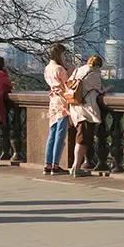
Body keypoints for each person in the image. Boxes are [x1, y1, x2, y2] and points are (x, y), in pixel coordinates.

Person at [68, 55, 107, 177]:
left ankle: (76, 166)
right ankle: (76, 167)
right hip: (86, 109)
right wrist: (108, 89)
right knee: (82, 138)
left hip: (75, 106)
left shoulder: (78, 70)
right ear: (97, 65)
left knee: (80, 137)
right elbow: (99, 90)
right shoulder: (93, 74)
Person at [43, 44, 72, 176]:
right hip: (62, 102)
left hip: (53, 102)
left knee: (52, 134)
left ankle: (47, 164)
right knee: (60, 134)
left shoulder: (47, 68)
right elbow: (68, 85)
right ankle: (55, 164)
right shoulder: (60, 69)